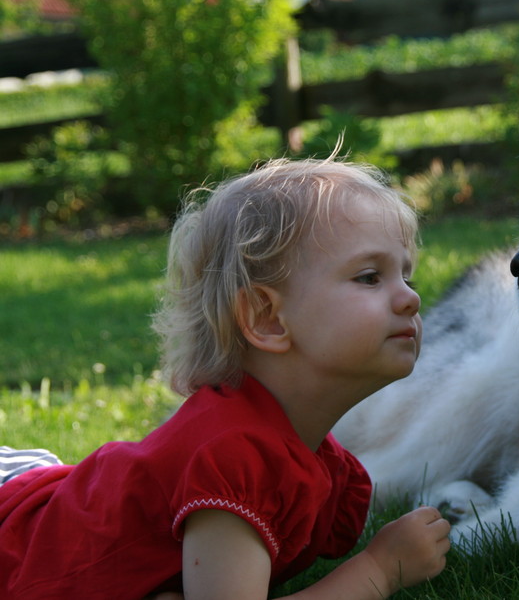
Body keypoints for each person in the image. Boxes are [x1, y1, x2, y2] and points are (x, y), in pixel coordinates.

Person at [0, 158, 450, 600]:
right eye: (370, 277)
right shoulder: (233, 456)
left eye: (405, 274)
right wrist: (380, 569)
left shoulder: (307, 451)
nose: (410, 297)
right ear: (267, 318)